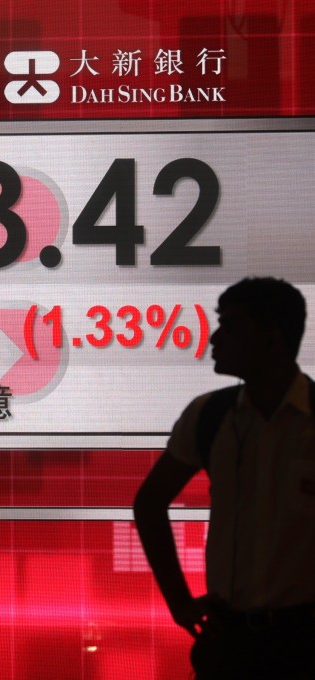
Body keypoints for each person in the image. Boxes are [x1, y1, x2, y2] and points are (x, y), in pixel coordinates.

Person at [134, 277, 315, 679]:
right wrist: (178, 602)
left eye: (231, 326)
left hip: (303, 638)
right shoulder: (209, 416)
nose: (214, 337)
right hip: (228, 638)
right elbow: (149, 503)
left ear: (272, 340)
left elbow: (149, 503)